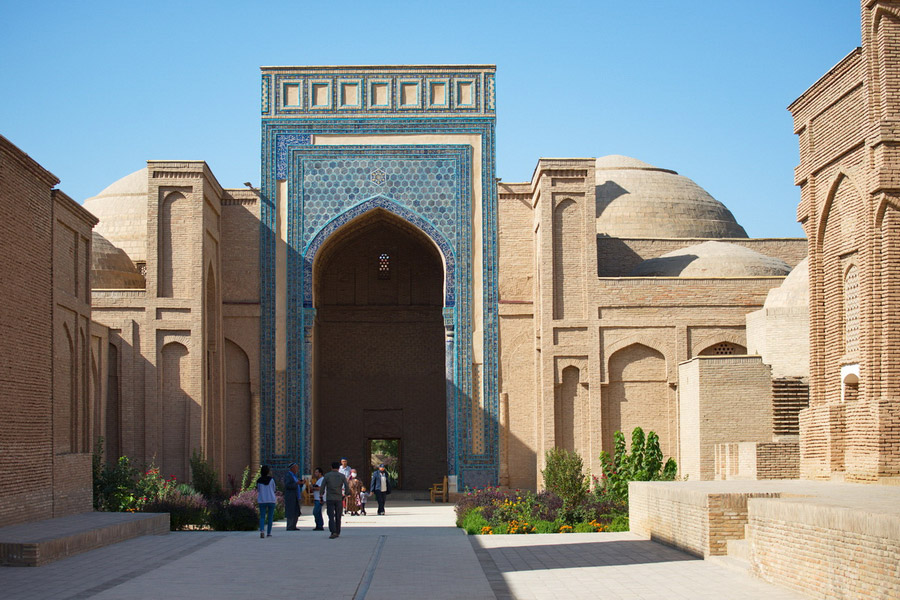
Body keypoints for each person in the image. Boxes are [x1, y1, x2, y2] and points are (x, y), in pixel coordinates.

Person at [322, 461, 349, 539]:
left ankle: (333, 531)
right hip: (339, 498)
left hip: (330, 498)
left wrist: (321, 494)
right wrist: (346, 494)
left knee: (330, 516)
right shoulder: (342, 476)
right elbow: (346, 486)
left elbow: (323, 486)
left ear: (331, 467)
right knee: (338, 516)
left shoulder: (327, 476)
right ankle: (337, 531)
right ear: (338, 468)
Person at [256, 465, 277, 538]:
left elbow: (258, 490)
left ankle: (262, 530)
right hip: (271, 499)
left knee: (262, 516)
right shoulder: (271, 480)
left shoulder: (259, 480)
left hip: (262, 500)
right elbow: (274, 489)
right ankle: (269, 533)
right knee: (270, 517)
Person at [283, 462, 302, 531]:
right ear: (292, 468)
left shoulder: (295, 475)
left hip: (296, 496)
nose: (297, 469)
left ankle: (294, 525)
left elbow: (297, 485)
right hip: (291, 496)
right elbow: (287, 485)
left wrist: (301, 483)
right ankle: (290, 526)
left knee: (296, 511)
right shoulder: (288, 475)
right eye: (296, 468)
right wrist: (296, 483)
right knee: (291, 511)